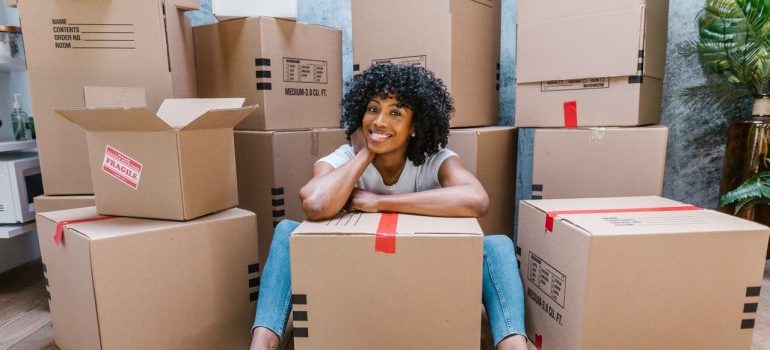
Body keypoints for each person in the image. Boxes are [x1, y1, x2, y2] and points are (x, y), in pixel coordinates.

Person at [250, 64, 527, 350]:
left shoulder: (435, 160)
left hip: (420, 275)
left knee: (497, 245)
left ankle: (513, 344)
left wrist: (379, 202)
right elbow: (316, 203)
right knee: (286, 231)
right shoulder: (345, 157)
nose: (380, 121)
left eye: (396, 113)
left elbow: (477, 200)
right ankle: (263, 344)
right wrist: (365, 152)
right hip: (357, 275)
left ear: (415, 127)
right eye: (373, 109)